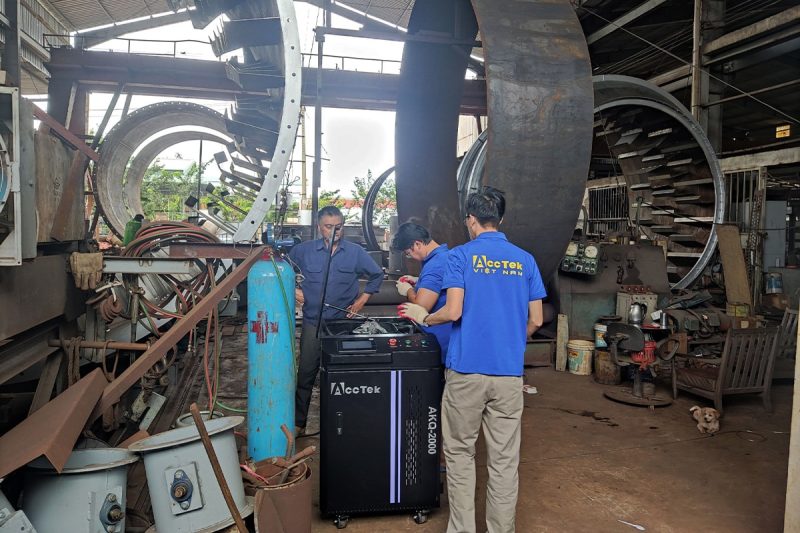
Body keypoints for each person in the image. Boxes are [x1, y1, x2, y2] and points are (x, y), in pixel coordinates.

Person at [399, 187, 546, 533]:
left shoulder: (460, 257)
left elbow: (452, 311)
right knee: (504, 462)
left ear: (470, 220)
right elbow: (537, 320)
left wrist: (423, 316)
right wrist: (510, 339)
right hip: (509, 376)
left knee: (461, 456)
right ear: (501, 219)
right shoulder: (525, 260)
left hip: (466, 374)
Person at [289, 206, 383, 435]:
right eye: (329, 227)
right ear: (319, 227)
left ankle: (344, 422)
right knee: (306, 373)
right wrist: (293, 288)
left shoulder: (355, 252)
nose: (334, 231)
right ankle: (299, 424)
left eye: (338, 227)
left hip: (342, 323)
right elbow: (282, 268)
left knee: (344, 375)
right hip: (313, 321)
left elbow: (376, 274)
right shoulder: (304, 251)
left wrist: (362, 300)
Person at [391, 222, 451, 361]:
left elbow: (421, 307)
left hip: (441, 338)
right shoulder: (447, 256)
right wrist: (420, 281)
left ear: (417, 244)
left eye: (408, 253)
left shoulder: (435, 266)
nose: (409, 257)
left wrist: (409, 290)